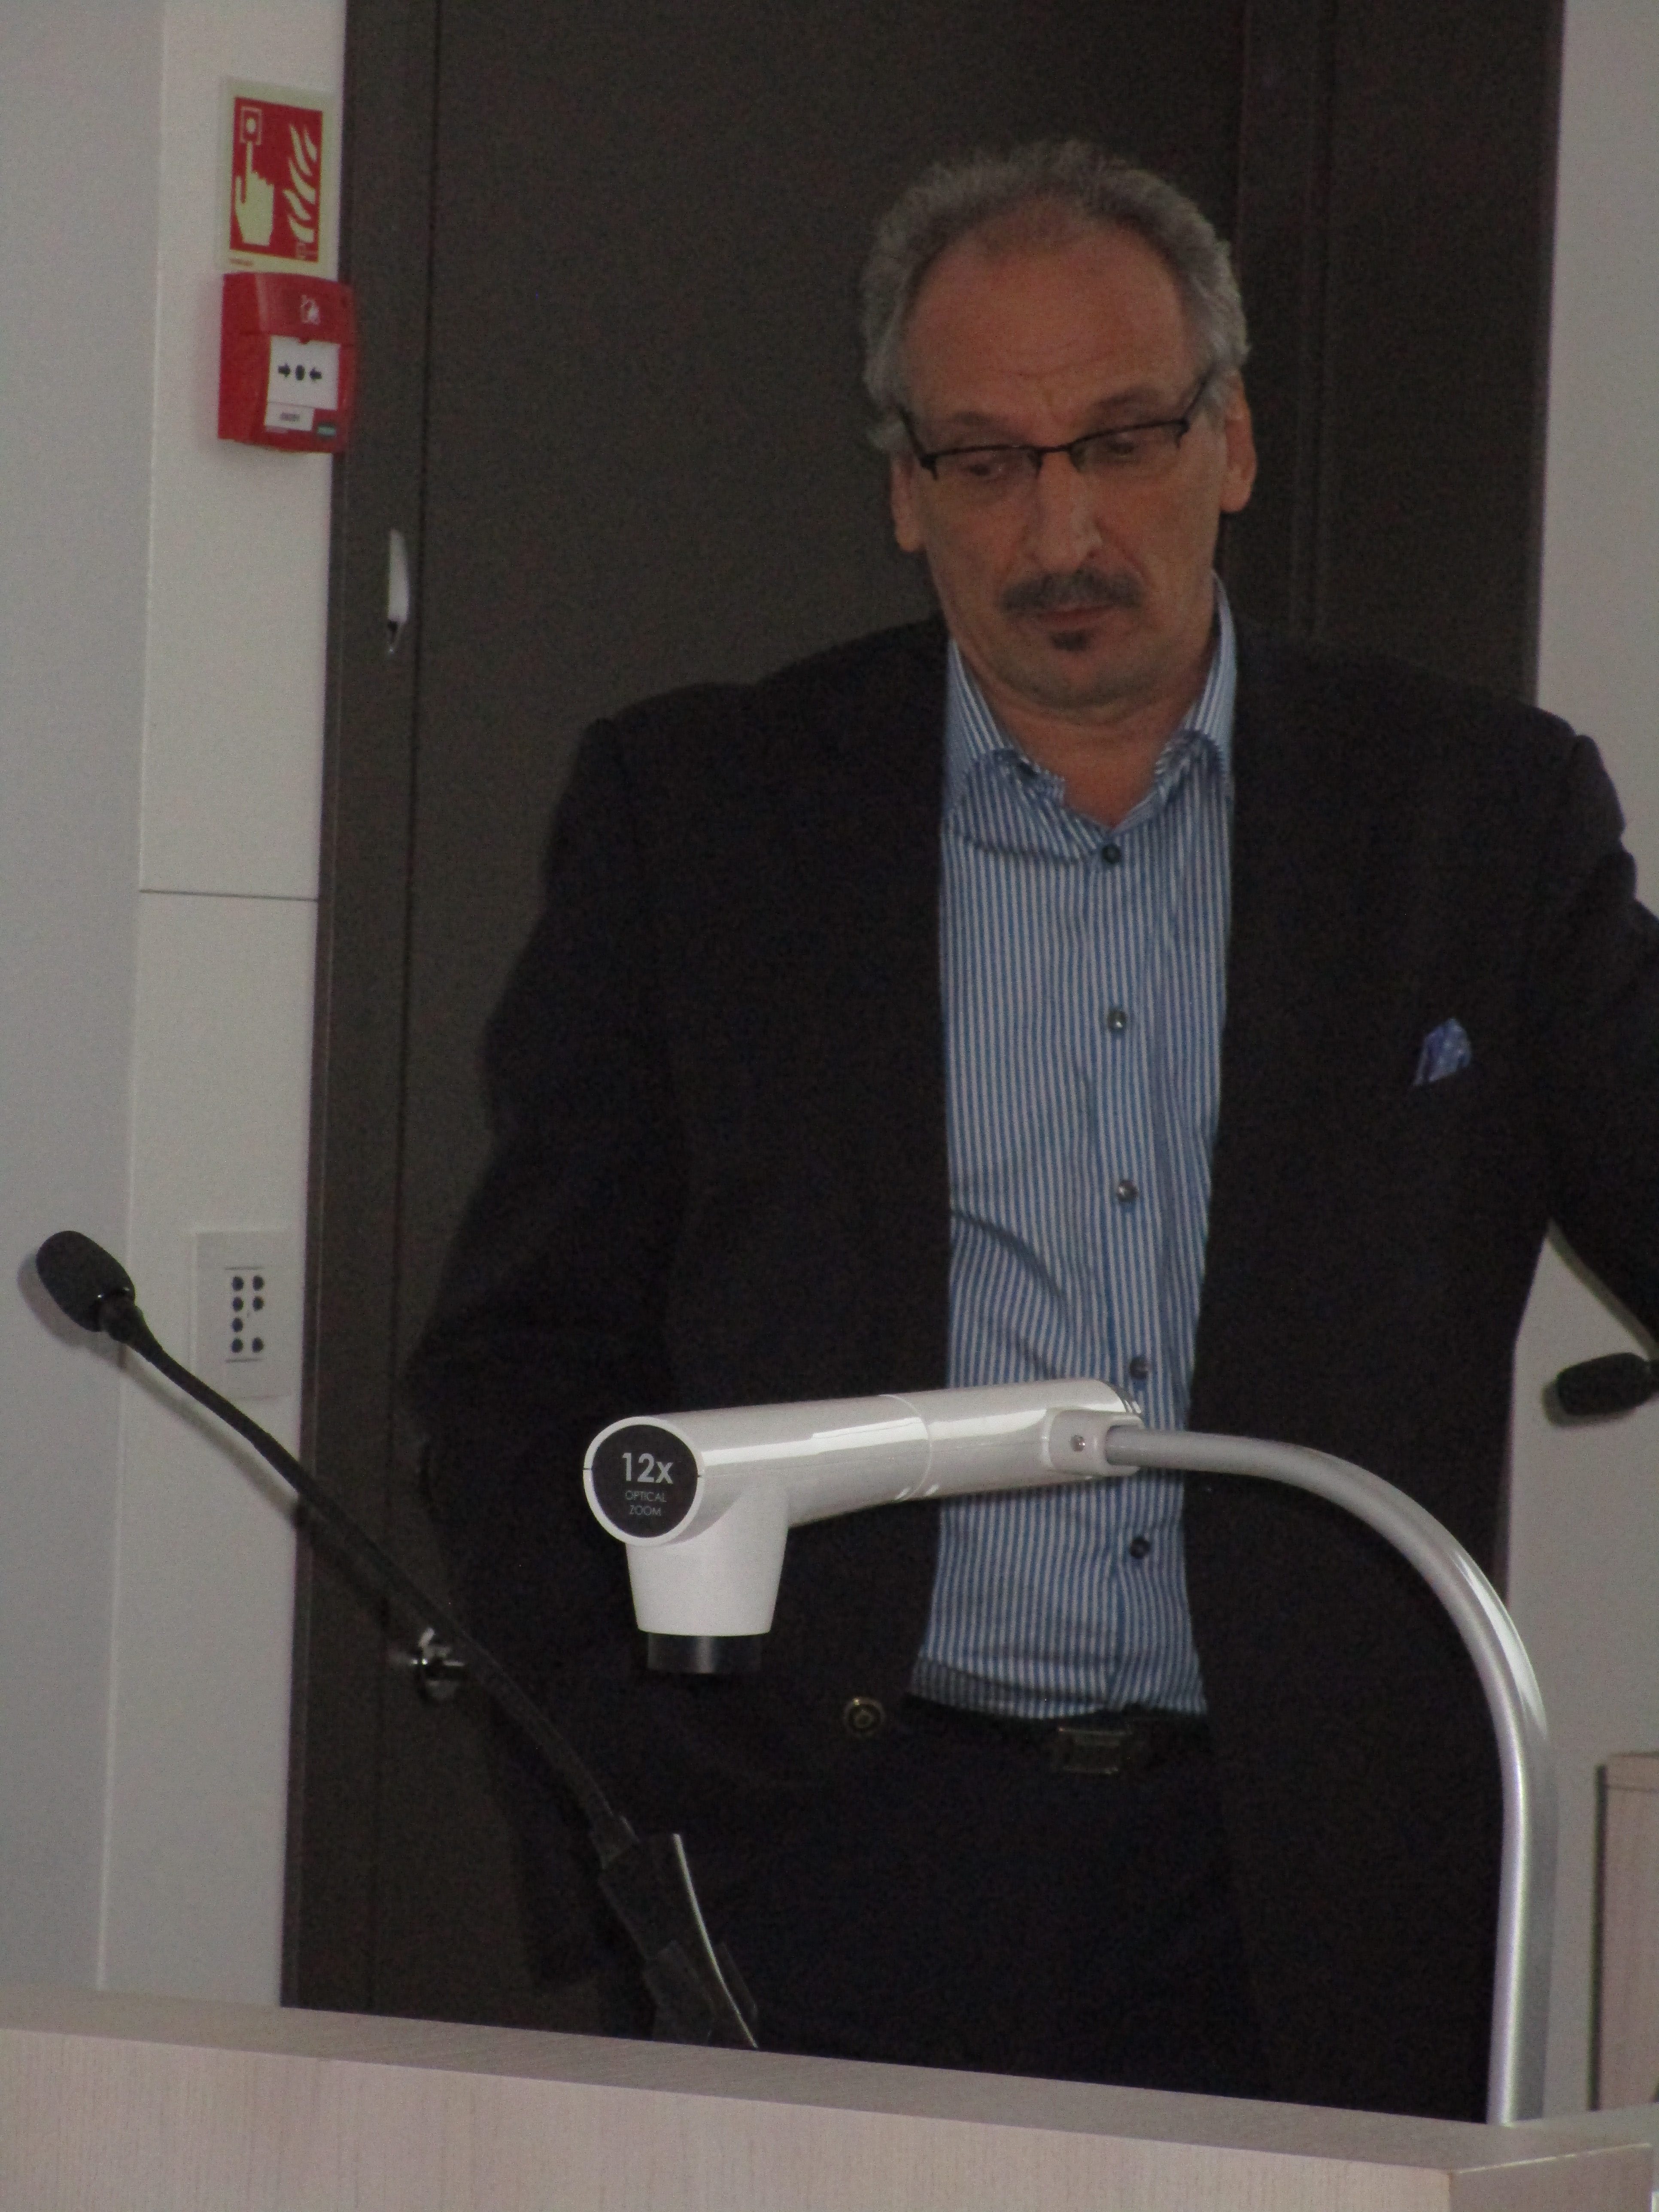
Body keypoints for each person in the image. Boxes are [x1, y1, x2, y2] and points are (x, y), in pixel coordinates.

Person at [404, 141, 1659, 2120]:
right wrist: (632, 1764)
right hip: (842, 1846)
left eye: (1124, 440)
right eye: (985, 460)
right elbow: (523, 1361)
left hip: (1319, 1878)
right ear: (905, 490)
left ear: (1231, 442)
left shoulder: (1474, 819)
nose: (1061, 527)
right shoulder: (708, 817)